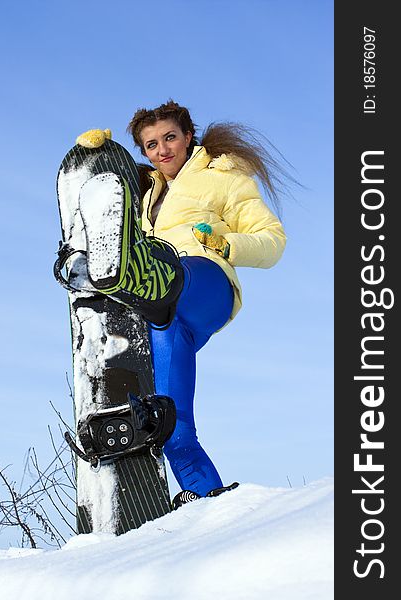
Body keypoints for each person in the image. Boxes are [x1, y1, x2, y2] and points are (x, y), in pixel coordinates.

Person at [76, 100, 287, 508]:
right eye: (151, 145)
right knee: (166, 414)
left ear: (189, 135)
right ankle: (206, 495)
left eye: (170, 137)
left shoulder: (223, 176)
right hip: (164, 316)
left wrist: (226, 244)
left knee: (170, 278)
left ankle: (135, 276)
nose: (163, 150)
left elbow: (273, 242)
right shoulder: (147, 191)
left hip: (205, 283)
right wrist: (101, 161)